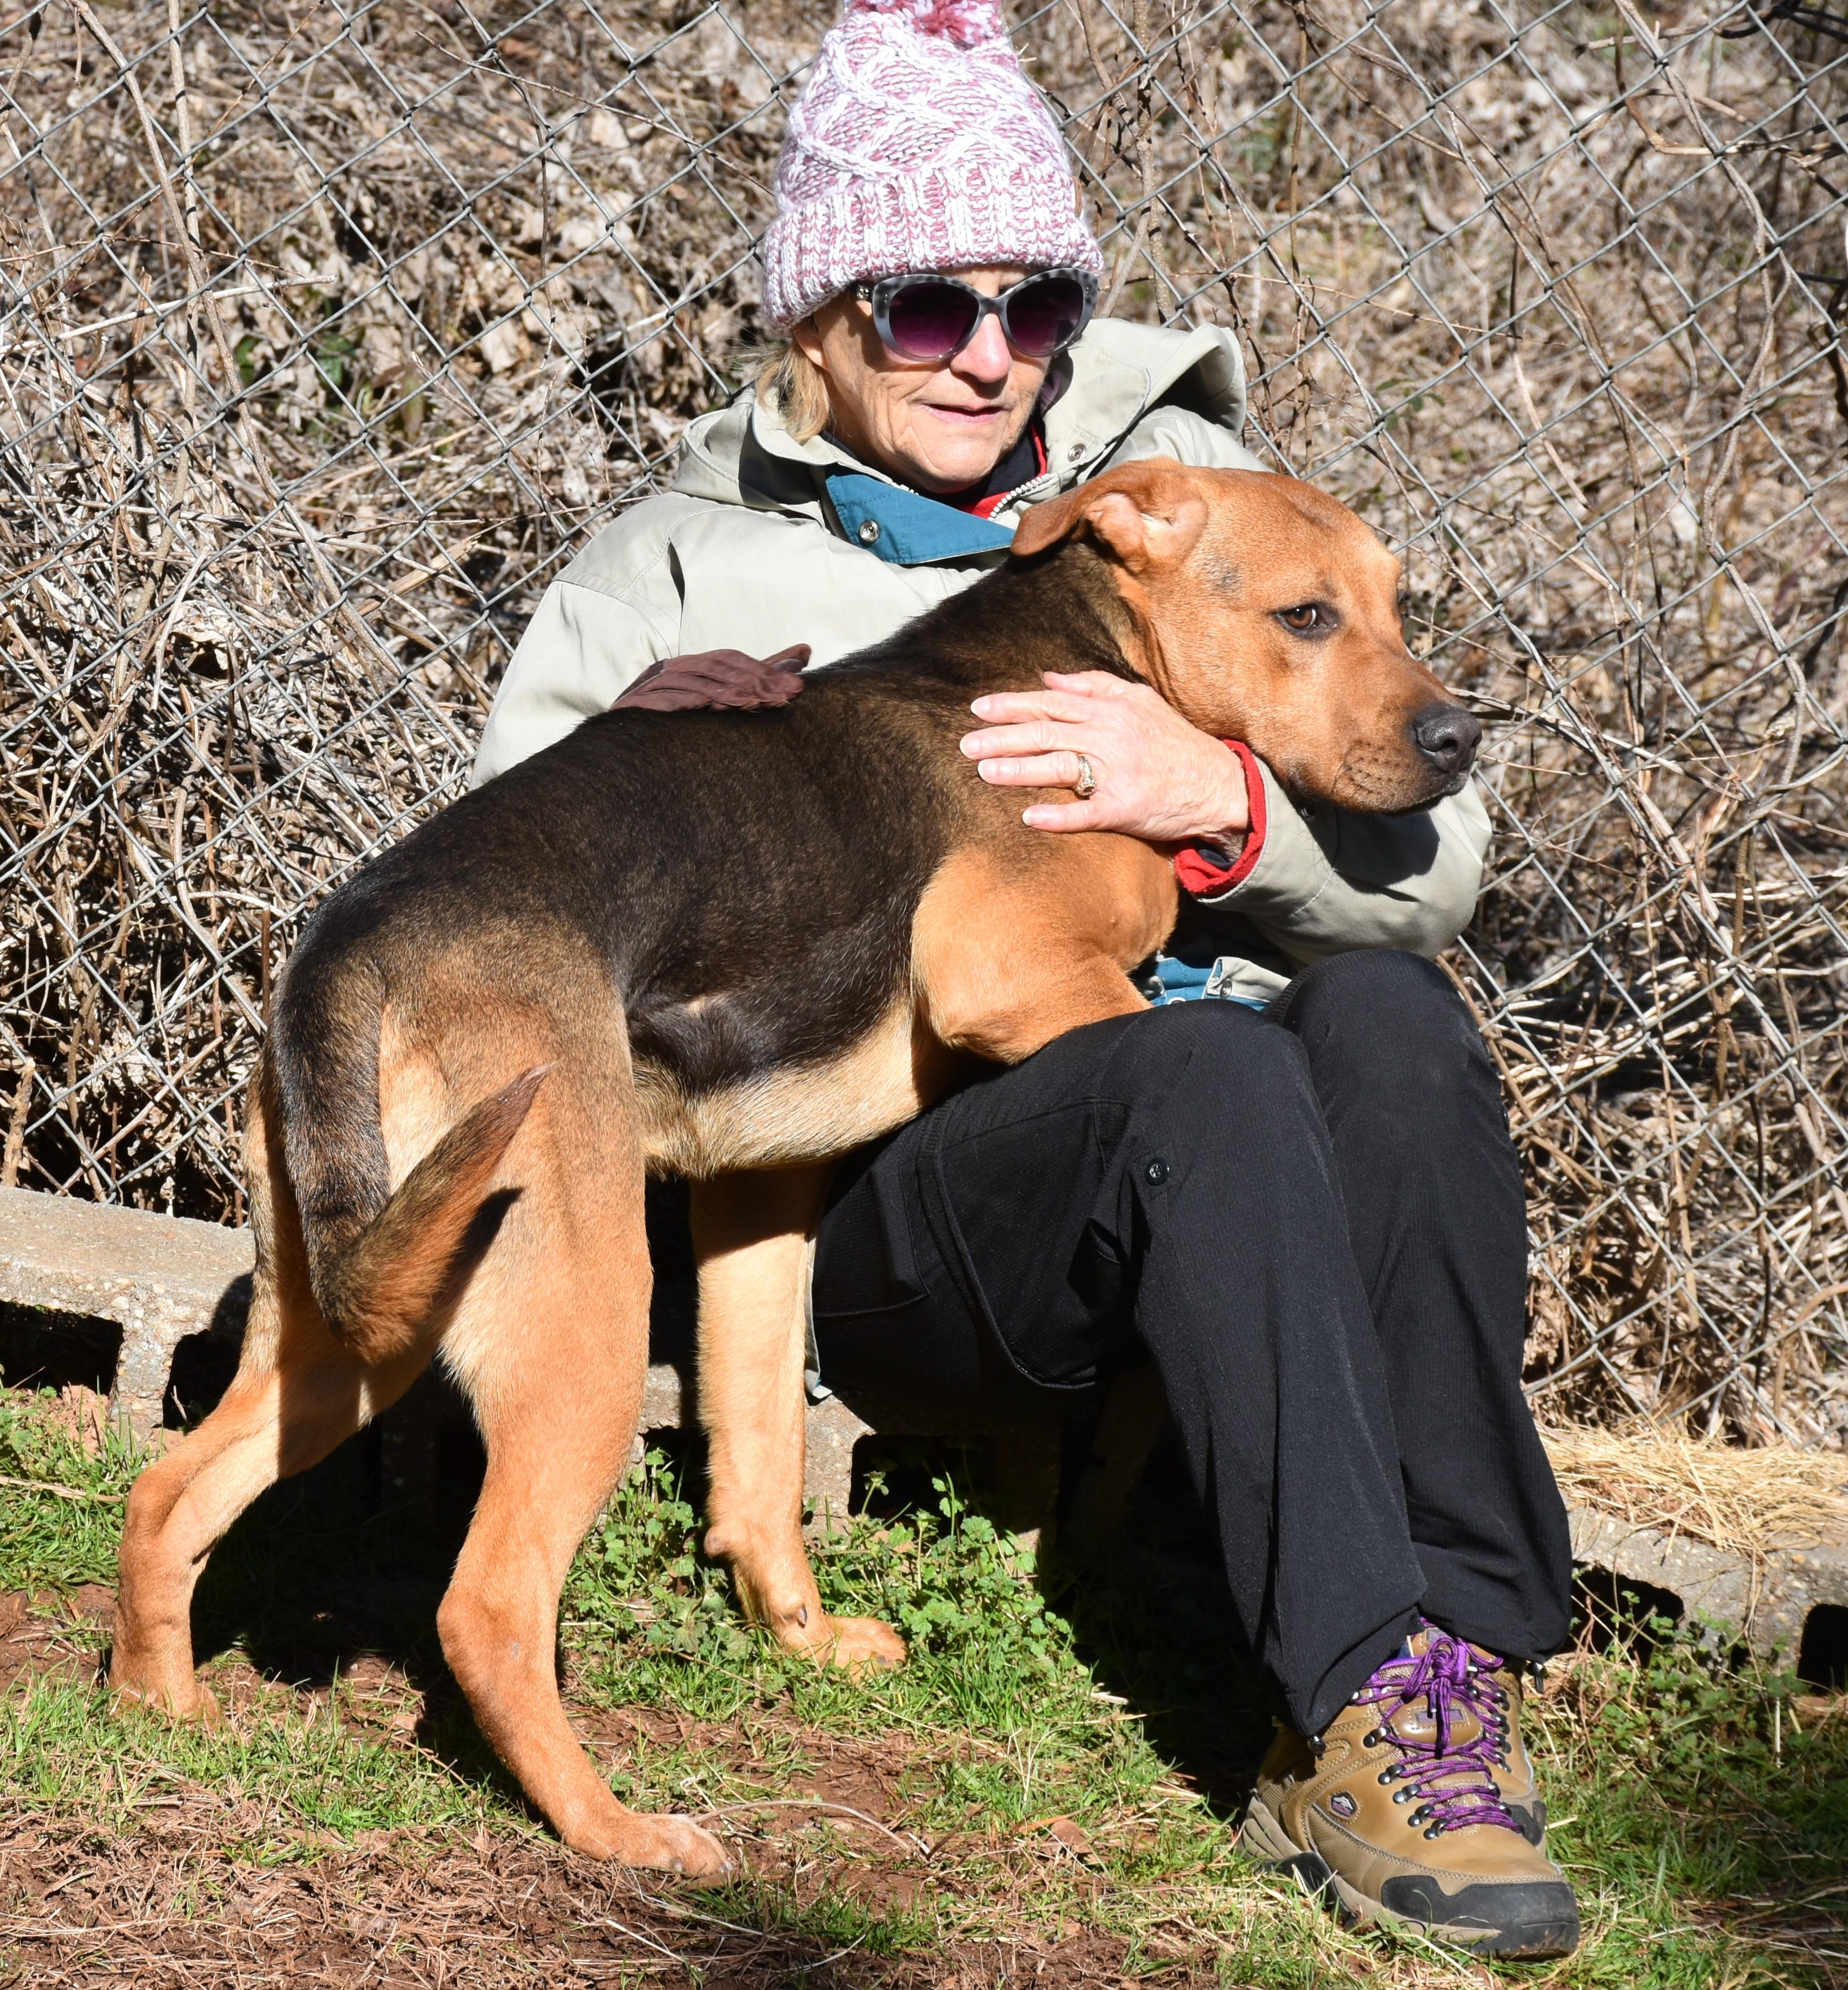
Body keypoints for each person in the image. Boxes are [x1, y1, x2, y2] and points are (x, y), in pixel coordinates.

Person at [474, 0, 1580, 1958]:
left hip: (1210, 1167)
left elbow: (1443, 873)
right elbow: (501, 920)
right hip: (925, 1202)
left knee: (1395, 1026)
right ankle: (1350, 1710)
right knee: (1210, 1077)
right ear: (819, 324)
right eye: (922, 307)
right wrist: (638, 753)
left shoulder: (1204, 500)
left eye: (1033, 302)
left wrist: (1221, 799)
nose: (987, 355)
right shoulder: (682, 563)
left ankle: (1459, 1656)